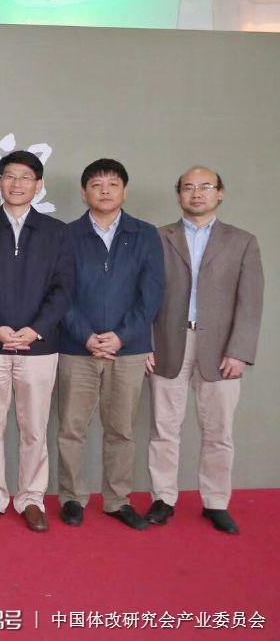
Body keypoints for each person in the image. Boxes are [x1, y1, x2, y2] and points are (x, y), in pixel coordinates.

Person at [145, 167, 262, 535]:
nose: (196, 193)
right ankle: (163, 498)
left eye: (205, 187)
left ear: (220, 193)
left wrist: (240, 351)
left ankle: (215, 502)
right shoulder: (157, 238)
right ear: (178, 194)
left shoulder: (242, 241)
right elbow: (143, 295)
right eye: (188, 187)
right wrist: (144, 343)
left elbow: (250, 302)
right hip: (167, 342)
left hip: (222, 348)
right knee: (164, 428)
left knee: (218, 431)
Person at [0, 150, 73, 533]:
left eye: (26, 177)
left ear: (38, 185)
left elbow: (63, 288)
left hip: (39, 346)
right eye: (9, 176)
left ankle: (31, 498)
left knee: (34, 428)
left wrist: (36, 328)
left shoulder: (57, 233)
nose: (16, 184)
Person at [56, 159, 164, 530]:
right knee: (71, 429)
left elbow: (151, 295)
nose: (105, 190)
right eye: (96, 184)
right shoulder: (66, 235)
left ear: (124, 191)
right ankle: (71, 497)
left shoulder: (145, 234)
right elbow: (60, 293)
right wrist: (85, 335)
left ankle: (118, 500)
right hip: (77, 348)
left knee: (121, 430)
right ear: (84, 191)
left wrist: (121, 336)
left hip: (127, 350)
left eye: (113, 184)